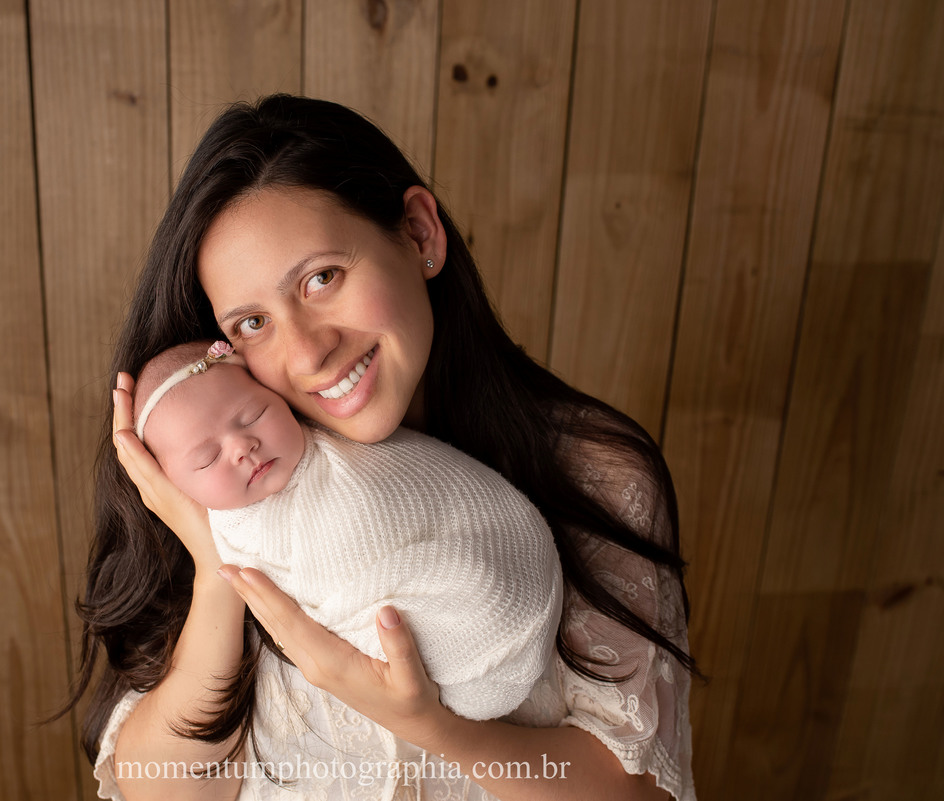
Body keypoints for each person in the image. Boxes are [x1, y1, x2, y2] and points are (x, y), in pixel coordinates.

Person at [73, 94, 698, 801]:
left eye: (321, 278)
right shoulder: (233, 474)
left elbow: (637, 791)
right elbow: (164, 789)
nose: (307, 351)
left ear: (420, 234)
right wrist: (219, 563)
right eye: (252, 321)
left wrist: (435, 726)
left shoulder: (598, 473)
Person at [131, 338, 563, 723]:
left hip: (501, 583)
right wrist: (211, 562)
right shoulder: (223, 537)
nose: (242, 447)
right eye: (207, 459)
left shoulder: (335, 445)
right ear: (170, 488)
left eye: (253, 415)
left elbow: (385, 516)